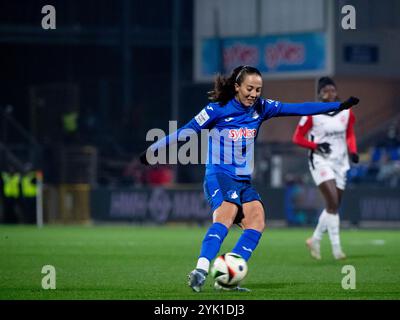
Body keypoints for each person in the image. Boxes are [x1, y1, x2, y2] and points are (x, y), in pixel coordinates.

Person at [140, 66, 359, 292]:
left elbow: (299, 108)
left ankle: (227, 278)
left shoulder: (262, 108)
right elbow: (185, 132)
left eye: (258, 89)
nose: (254, 94)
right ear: (237, 87)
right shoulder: (217, 109)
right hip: (219, 175)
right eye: (250, 88)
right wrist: (154, 150)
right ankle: (200, 270)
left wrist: (338, 106)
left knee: (257, 220)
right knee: (228, 213)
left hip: (242, 179)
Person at [292, 77, 359, 260]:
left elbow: (350, 133)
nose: (330, 93)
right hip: (320, 161)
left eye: (332, 89)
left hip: (340, 162)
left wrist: (353, 151)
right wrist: (316, 146)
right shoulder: (312, 113)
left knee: (333, 205)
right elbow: (297, 137)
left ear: (337, 92)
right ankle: (337, 249)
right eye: (325, 90)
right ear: (319, 94)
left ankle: (314, 239)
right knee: (333, 202)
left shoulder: (346, 112)